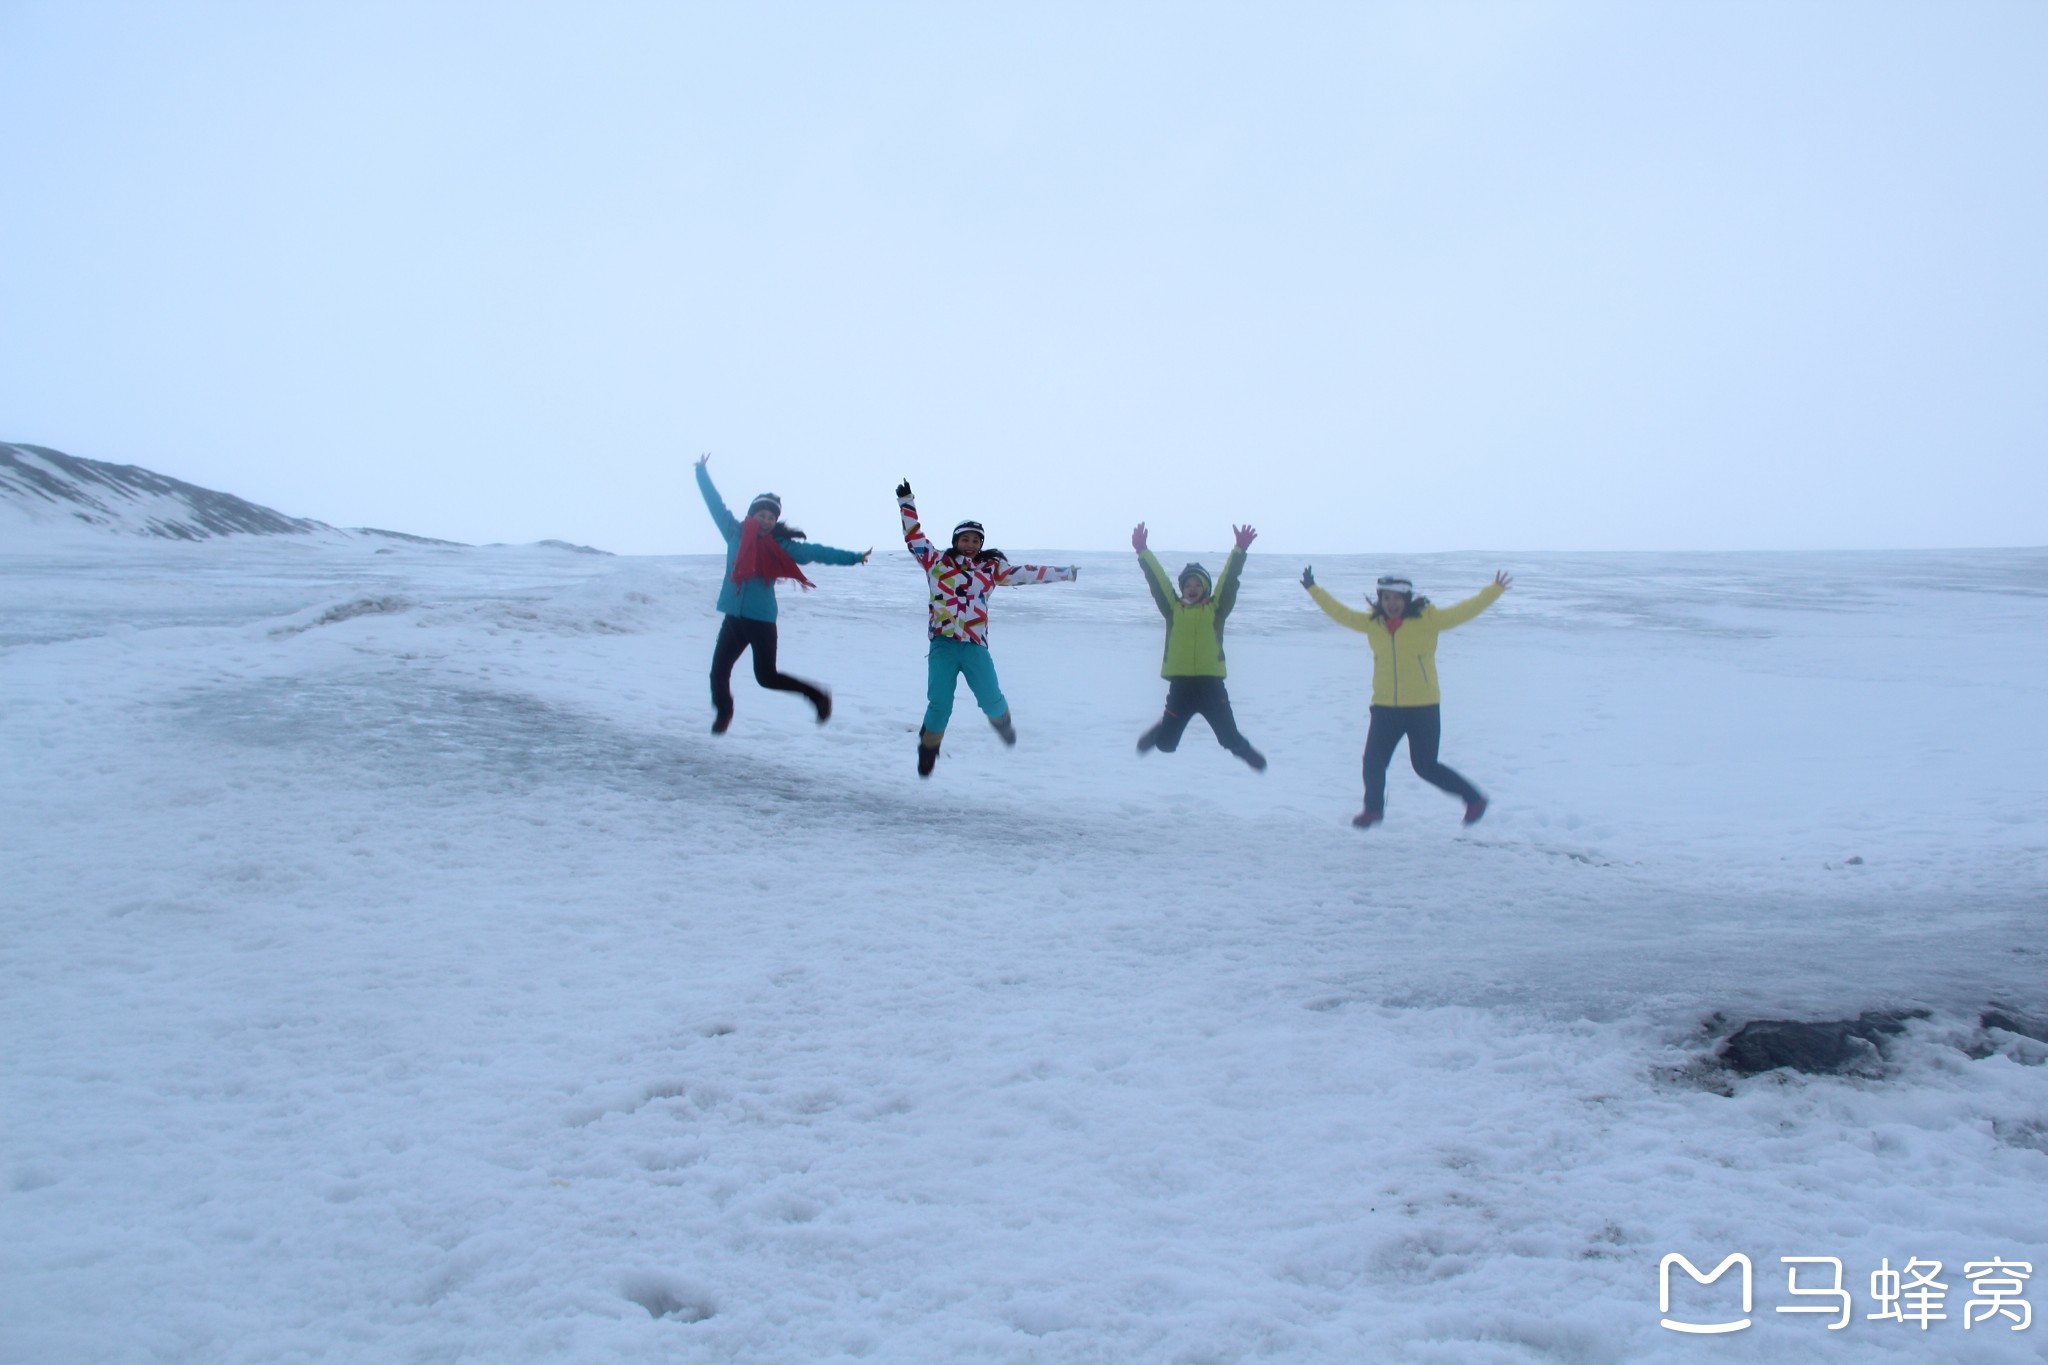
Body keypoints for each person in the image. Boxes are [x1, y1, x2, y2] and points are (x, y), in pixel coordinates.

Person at [1301, 565, 1512, 827]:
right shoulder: (1373, 623)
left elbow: (1464, 611)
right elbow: (1341, 614)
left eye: (1396, 598)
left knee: (1425, 766)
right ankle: (1373, 810)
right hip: (1385, 707)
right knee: (1373, 763)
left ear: (1407, 599)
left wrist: (1494, 591)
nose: (1391, 603)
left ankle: (1474, 799)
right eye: (1386, 598)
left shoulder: (1428, 619)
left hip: (1423, 707)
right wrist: (1314, 590)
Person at [896, 478, 1077, 777]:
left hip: (974, 646)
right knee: (940, 702)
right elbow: (914, 537)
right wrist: (906, 503)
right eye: (965, 539)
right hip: (942, 644)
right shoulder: (936, 562)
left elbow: (1026, 574)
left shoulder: (991, 570)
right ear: (956, 540)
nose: (970, 544)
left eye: (975, 540)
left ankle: (1003, 725)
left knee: (991, 699)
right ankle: (928, 749)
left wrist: (1064, 574)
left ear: (981, 545)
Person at [695, 453, 869, 733]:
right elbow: (714, 504)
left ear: (775, 521)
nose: (765, 520)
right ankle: (724, 713)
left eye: (771, 516)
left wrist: (852, 557)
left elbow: (815, 552)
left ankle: (817, 696)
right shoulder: (733, 533)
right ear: (751, 515)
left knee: (766, 677)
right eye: (761, 514)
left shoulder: (781, 547)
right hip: (733, 619)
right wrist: (701, 472)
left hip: (761, 621)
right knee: (718, 672)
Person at [1131, 521, 1266, 770]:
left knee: (1228, 737)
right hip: (1180, 687)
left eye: (1197, 585)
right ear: (1182, 588)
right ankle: (1159, 732)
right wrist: (1143, 552)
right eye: (1188, 585)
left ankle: (1246, 753)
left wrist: (1239, 550)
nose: (1192, 589)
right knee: (1166, 744)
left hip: (1211, 686)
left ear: (1205, 589)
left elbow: (1229, 580)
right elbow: (1158, 582)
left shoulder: (1216, 609)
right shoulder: (1173, 609)